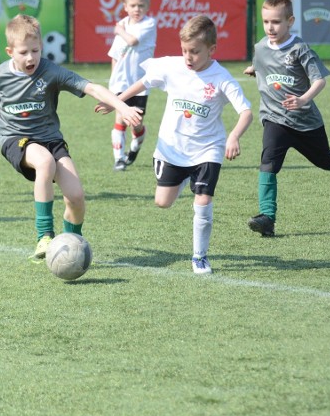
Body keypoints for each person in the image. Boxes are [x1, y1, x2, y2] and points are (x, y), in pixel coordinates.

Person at [0, 14, 142, 260]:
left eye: (36, 50)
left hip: (50, 139)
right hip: (15, 138)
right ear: (10, 52)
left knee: (76, 197)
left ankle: (71, 246)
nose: (31, 58)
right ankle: (44, 236)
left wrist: (121, 106)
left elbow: (91, 87)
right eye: (24, 52)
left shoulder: (50, 72)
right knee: (44, 162)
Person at [96, 15, 253, 274]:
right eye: (184, 50)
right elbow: (144, 82)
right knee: (163, 202)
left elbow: (245, 111)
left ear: (211, 50)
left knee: (202, 200)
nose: (188, 56)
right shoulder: (172, 66)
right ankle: (182, 180)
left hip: (207, 149)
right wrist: (116, 101)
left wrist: (234, 136)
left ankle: (199, 257)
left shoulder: (221, 77)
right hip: (172, 149)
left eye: (194, 51)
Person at [244, 0, 330, 238]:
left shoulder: (300, 50)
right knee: (268, 164)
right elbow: (262, 63)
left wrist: (303, 99)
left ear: (290, 21)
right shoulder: (259, 47)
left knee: (326, 161)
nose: (270, 27)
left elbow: (319, 80)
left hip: (305, 123)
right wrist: (253, 69)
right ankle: (267, 218)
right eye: (266, 22)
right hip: (275, 119)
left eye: (276, 22)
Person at [107, 0, 157, 171]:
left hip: (140, 84)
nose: (137, 9)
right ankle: (119, 159)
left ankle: (139, 138)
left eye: (141, 5)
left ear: (148, 6)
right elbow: (114, 55)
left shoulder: (149, 24)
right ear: (125, 6)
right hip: (121, 83)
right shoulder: (122, 24)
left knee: (135, 123)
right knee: (120, 119)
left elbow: (133, 41)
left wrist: (118, 30)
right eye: (133, 5)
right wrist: (113, 80)